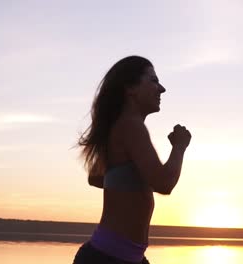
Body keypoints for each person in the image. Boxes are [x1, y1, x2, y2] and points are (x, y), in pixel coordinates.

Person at [73, 56, 191, 264]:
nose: (161, 88)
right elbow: (164, 183)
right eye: (153, 80)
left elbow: (95, 177)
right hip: (108, 258)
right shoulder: (130, 125)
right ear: (130, 88)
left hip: (123, 257)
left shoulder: (119, 127)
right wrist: (179, 147)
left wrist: (137, 178)